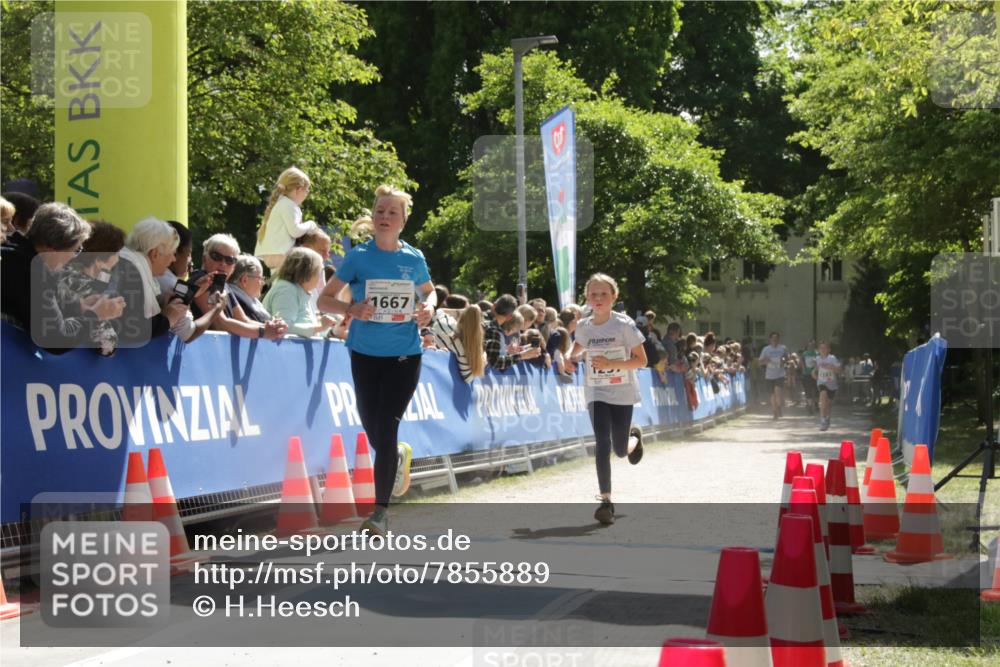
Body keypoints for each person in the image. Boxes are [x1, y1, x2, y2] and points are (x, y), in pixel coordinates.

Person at [317, 184, 436, 536]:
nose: (384, 217)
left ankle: (379, 512)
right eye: (380, 211)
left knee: (386, 424)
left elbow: (429, 294)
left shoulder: (413, 258)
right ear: (373, 216)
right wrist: (350, 308)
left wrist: (428, 309)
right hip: (365, 353)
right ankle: (396, 453)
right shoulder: (358, 257)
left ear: (403, 220)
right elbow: (324, 300)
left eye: (392, 212)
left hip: (405, 353)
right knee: (374, 428)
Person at [564, 273, 647, 525]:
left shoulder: (624, 325)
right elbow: (578, 346)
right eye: (593, 294)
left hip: (622, 393)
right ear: (587, 298)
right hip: (596, 391)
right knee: (602, 442)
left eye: (603, 294)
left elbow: (641, 360)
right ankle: (606, 502)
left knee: (620, 451)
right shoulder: (584, 326)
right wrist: (569, 355)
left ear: (614, 297)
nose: (598, 299)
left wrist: (612, 363)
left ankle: (634, 438)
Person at [1, 202, 124, 352]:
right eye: (74, 249)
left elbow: (47, 301)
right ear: (53, 248)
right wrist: (95, 316)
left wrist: (80, 305)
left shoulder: (20, 256)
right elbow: (55, 340)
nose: (74, 256)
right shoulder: (30, 270)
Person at [191, 233, 287, 340]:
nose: (223, 263)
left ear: (234, 266)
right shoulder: (201, 280)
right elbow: (220, 324)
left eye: (229, 260)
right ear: (204, 258)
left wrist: (273, 327)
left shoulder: (225, 285)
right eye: (216, 257)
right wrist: (263, 332)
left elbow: (244, 320)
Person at [116, 217, 191, 346]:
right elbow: (134, 329)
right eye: (172, 253)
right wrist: (168, 318)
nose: (173, 259)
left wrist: (164, 310)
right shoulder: (131, 270)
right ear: (155, 253)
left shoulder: (128, 263)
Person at [56, 220, 125, 356]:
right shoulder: (85, 287)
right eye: (117, 253)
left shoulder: (58, 271)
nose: (119, 258)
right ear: (99, 259)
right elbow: (106, 345)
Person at [157, 220, 221, 344]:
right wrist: (216, 310)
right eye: (188, 253)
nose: (190, 261)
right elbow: (188, 334)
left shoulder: (161, 280)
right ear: (174, 252)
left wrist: (194, 290)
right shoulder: (171, 285)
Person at [254, 167, 318, 271]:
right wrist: (310, 224)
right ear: (299, 189)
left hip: (272, 254)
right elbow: (295, 231)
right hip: (282, 254)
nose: (306, 195)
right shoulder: (289, 205)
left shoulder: (280, 203)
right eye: (306, 191)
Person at [262, 247, 336, 338]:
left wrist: (334, 330)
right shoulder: (286, 289)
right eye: (319, 270)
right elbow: (281, 328)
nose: (321, 275)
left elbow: (310, 332)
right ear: (308, 271)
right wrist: (319, 327)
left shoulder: (300, 291)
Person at [482, 294, 541, 371]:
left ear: (493, 306)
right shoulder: (494, 330)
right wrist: (522, 355)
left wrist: (507, 350)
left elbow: (491, 353)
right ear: (510, 316)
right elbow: (496, 362)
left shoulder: (482, 319)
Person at [296, 227, 333, 314]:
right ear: (306, 247)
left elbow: (321, 293)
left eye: (328, 252)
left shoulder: (319, 267)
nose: (326, 256)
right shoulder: (296, 269)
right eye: (322, 251)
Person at [228, 255, 272, 323]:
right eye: (261, 278)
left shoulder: (230, 297)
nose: (263, 283)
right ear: (244, 280)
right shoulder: (237, 304)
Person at [759, 331, 788, 419]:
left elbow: (787, 359)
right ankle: (775, 411)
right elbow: (760, 362)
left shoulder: (783, 348)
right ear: (770, 339)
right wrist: (766, 361)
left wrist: (784, 361)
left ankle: (778, 407)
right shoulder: (766, 349)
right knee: (772, 395)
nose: (775, 340)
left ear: (778, 339)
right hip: (769, 375)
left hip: (780, 374)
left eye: (776, 338)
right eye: (773, 338)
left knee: (777, 392)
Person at [812, 341, 841, 431]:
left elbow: (839, 370)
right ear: (818, 350)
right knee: (823, 396)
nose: (823, 350)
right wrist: (815, 376)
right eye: (821, 348)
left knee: (827, 404)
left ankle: (827, 417)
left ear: (829, 350)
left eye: (825, 348)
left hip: (832, 384)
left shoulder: (832, 358)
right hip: (822, 383)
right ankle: (823, 420)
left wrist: (831, 367)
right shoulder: (817, 359)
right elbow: (815, 370)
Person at [801, 340, 819, 415]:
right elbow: (802, 362)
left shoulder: (817, 353)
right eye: (810, 345)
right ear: (808, 346)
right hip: (806, 374)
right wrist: (804, 369)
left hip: (815, 374)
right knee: (808, 390)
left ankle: (816, 404)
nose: (811, 346)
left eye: (813, 345)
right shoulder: (804, 354)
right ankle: (810, 406)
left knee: (816, 390)